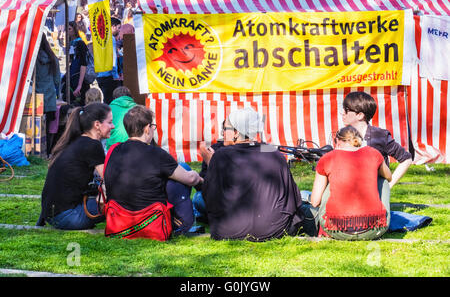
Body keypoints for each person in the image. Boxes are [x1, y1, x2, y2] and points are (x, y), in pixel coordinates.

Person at [200, 107, 304, 241]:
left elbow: (210, 197)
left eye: (225, 129)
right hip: (274, 229)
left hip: (228, 230)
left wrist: (211, 162)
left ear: (237, 132)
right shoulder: (273, 152)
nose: (223, 133)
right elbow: (292, 198)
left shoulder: (221, 155)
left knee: (197, 200)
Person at [103, 105, 203, 236]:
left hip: (119, 221)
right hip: (151, 221)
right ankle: (185, 223)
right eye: (153, 127)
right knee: (184, 169)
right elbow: (190, 179)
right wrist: (200, 179)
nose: (153, 130)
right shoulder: (156, 153)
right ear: (146, 129)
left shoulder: (113, 150)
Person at [306, 126, 392, 240]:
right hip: (374, 230)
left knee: (331, 181)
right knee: (383, 180)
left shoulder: (328, 158)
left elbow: (315, 201)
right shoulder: (373, 153)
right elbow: (389, 177)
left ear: (337, 141)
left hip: (336, 229)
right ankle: (377, 216)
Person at [39, 102, 114, 230]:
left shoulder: (74, 141)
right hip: (68, 217)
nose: (113, 126)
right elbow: (111, 179)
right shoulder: (92, 145)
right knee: (122, 197)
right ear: (97, 124)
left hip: (51, 215)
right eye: (110, 122)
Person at [341, 91, 412, 188]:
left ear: (360, 115)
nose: (342, 112)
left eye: (346, 110)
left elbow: (406, 159)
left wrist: (388, 185)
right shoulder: (343, 135)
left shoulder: (380, 135)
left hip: (375, 192)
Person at [35, 35, 61, 157]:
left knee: (35, 126)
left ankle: (37, 152)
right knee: (49, 128)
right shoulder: (52, 58)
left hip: (36, 97)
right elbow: (57, 81)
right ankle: (47, 152)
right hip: (50, 96)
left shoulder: (32, 59)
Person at [62, 21, 90, 106]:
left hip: (79, 78)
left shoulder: (80, 43)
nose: (67, 31)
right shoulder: (71, 44)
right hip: (73, 76)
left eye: (69, 29)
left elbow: (83, 64)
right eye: (66, 29)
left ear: (75, 30)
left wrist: (79, 85)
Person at [96, 17, 122, 104]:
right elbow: (112, 57)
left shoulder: (101, 37)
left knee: (106, 100)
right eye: (119, 27)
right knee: (112, 101)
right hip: (109, 75)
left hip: (100, 74)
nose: (119, 30)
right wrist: (115, 75)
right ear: (113, 26)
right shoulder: (111, 38)